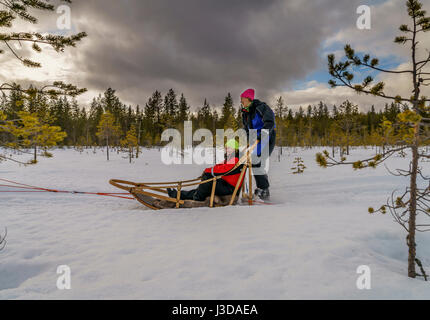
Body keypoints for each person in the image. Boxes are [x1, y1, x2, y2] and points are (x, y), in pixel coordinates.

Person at [167, 139, 244, 202]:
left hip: (229, 188)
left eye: (229, 148)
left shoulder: (235, 159)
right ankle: (179, 194)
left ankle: (195, 198)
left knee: (207, 180)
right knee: (202, 188)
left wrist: (208, 171)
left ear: (235, 149)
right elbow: (220, 167)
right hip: (225, 185)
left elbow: (223, 170)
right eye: (226, 147)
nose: (226, 149)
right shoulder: (231, 158)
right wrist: (210, 171)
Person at [240, 88, 276, 200]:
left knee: (256, 160)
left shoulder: (261, 107)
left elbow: (270, 122)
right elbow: (247, 129)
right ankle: (253, 188)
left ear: (249, 99)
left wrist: (262, 135)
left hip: (267, 137)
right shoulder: (245, 113)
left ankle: (264, 189)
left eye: (243, 100)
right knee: (247, 160)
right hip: (255, 139)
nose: (241, 102)